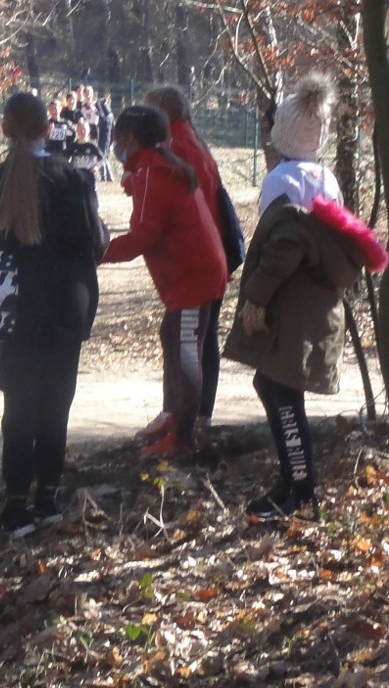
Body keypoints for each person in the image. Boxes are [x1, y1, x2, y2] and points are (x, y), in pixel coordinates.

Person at [223, 73, 387, 520]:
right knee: (273, 386)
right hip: (318, 304)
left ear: (281, 134)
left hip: (292, 305)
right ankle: (293, 480)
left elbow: (286, 245)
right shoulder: (326, 178)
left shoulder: (280, 181)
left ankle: (299, 487)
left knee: (281, 392)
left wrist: (256, 299)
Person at [0, 92, 109, 538]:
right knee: (56, 404)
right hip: (68, 307)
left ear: (5, 129)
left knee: (19, 406)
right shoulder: (75, 180)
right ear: (50, 128)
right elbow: (96, 246)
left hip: (16, 310)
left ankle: (16, 504)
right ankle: (48, 496)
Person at [102, 106, 227, 458]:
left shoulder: (152, 174)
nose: (113, 144)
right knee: (171, 335)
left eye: (116, 138)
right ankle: (175, 417)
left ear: (128, 138)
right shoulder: (159, 167)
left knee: (187, 346)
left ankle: (184, 438)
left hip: (193, 276)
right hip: (194, 272)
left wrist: (95, 253)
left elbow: (142, 236)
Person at [141, 84, 228, 436]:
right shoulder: (193, 141)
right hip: (209, 254)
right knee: (191, 336)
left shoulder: (176, 148)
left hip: (193, 260)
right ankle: (183, 413)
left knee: (187, 338)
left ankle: (186, 419)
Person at [66, 119, 105, 197]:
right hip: (76, 177)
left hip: (89, 176)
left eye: (84, 129)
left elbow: (102, 159)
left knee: (91, 197)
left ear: (88, 131)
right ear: (77, 131)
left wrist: (96, 167)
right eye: (80, 129)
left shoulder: (92, 146)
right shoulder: (73, 146)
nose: (82, 131)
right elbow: (65, 159)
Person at [96, 91, 115, 181]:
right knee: (103, 156)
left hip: (104, 136)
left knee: (102, 156)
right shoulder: (108, 112)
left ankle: (106, 177)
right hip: (107, 136)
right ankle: (108, 176)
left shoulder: (103, 110)